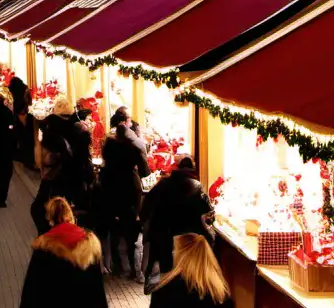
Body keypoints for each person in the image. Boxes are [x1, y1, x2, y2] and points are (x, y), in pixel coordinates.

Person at [141, 157, 214, 294]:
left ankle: (165, 296)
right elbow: (207, 212)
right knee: (183, 274)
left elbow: (147, 205)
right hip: (184, 238)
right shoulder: (196, 187)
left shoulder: (163, 184)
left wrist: (145, 221)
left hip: (162, 236)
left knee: (166, 272)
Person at [31, 95, 92, 234]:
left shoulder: (51, 135)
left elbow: (43, 161)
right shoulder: (78, 133)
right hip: (73, 186)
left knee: (43, 212)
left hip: (55, 183)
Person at [101, 111, 151, 280]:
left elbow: (104, 165)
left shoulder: (109, 146)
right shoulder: (133, 147)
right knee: (132, 227)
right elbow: (145, 171)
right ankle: (135, 269)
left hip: (111, 188)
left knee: (115, 227)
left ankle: (120, 265)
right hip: (131, 189)